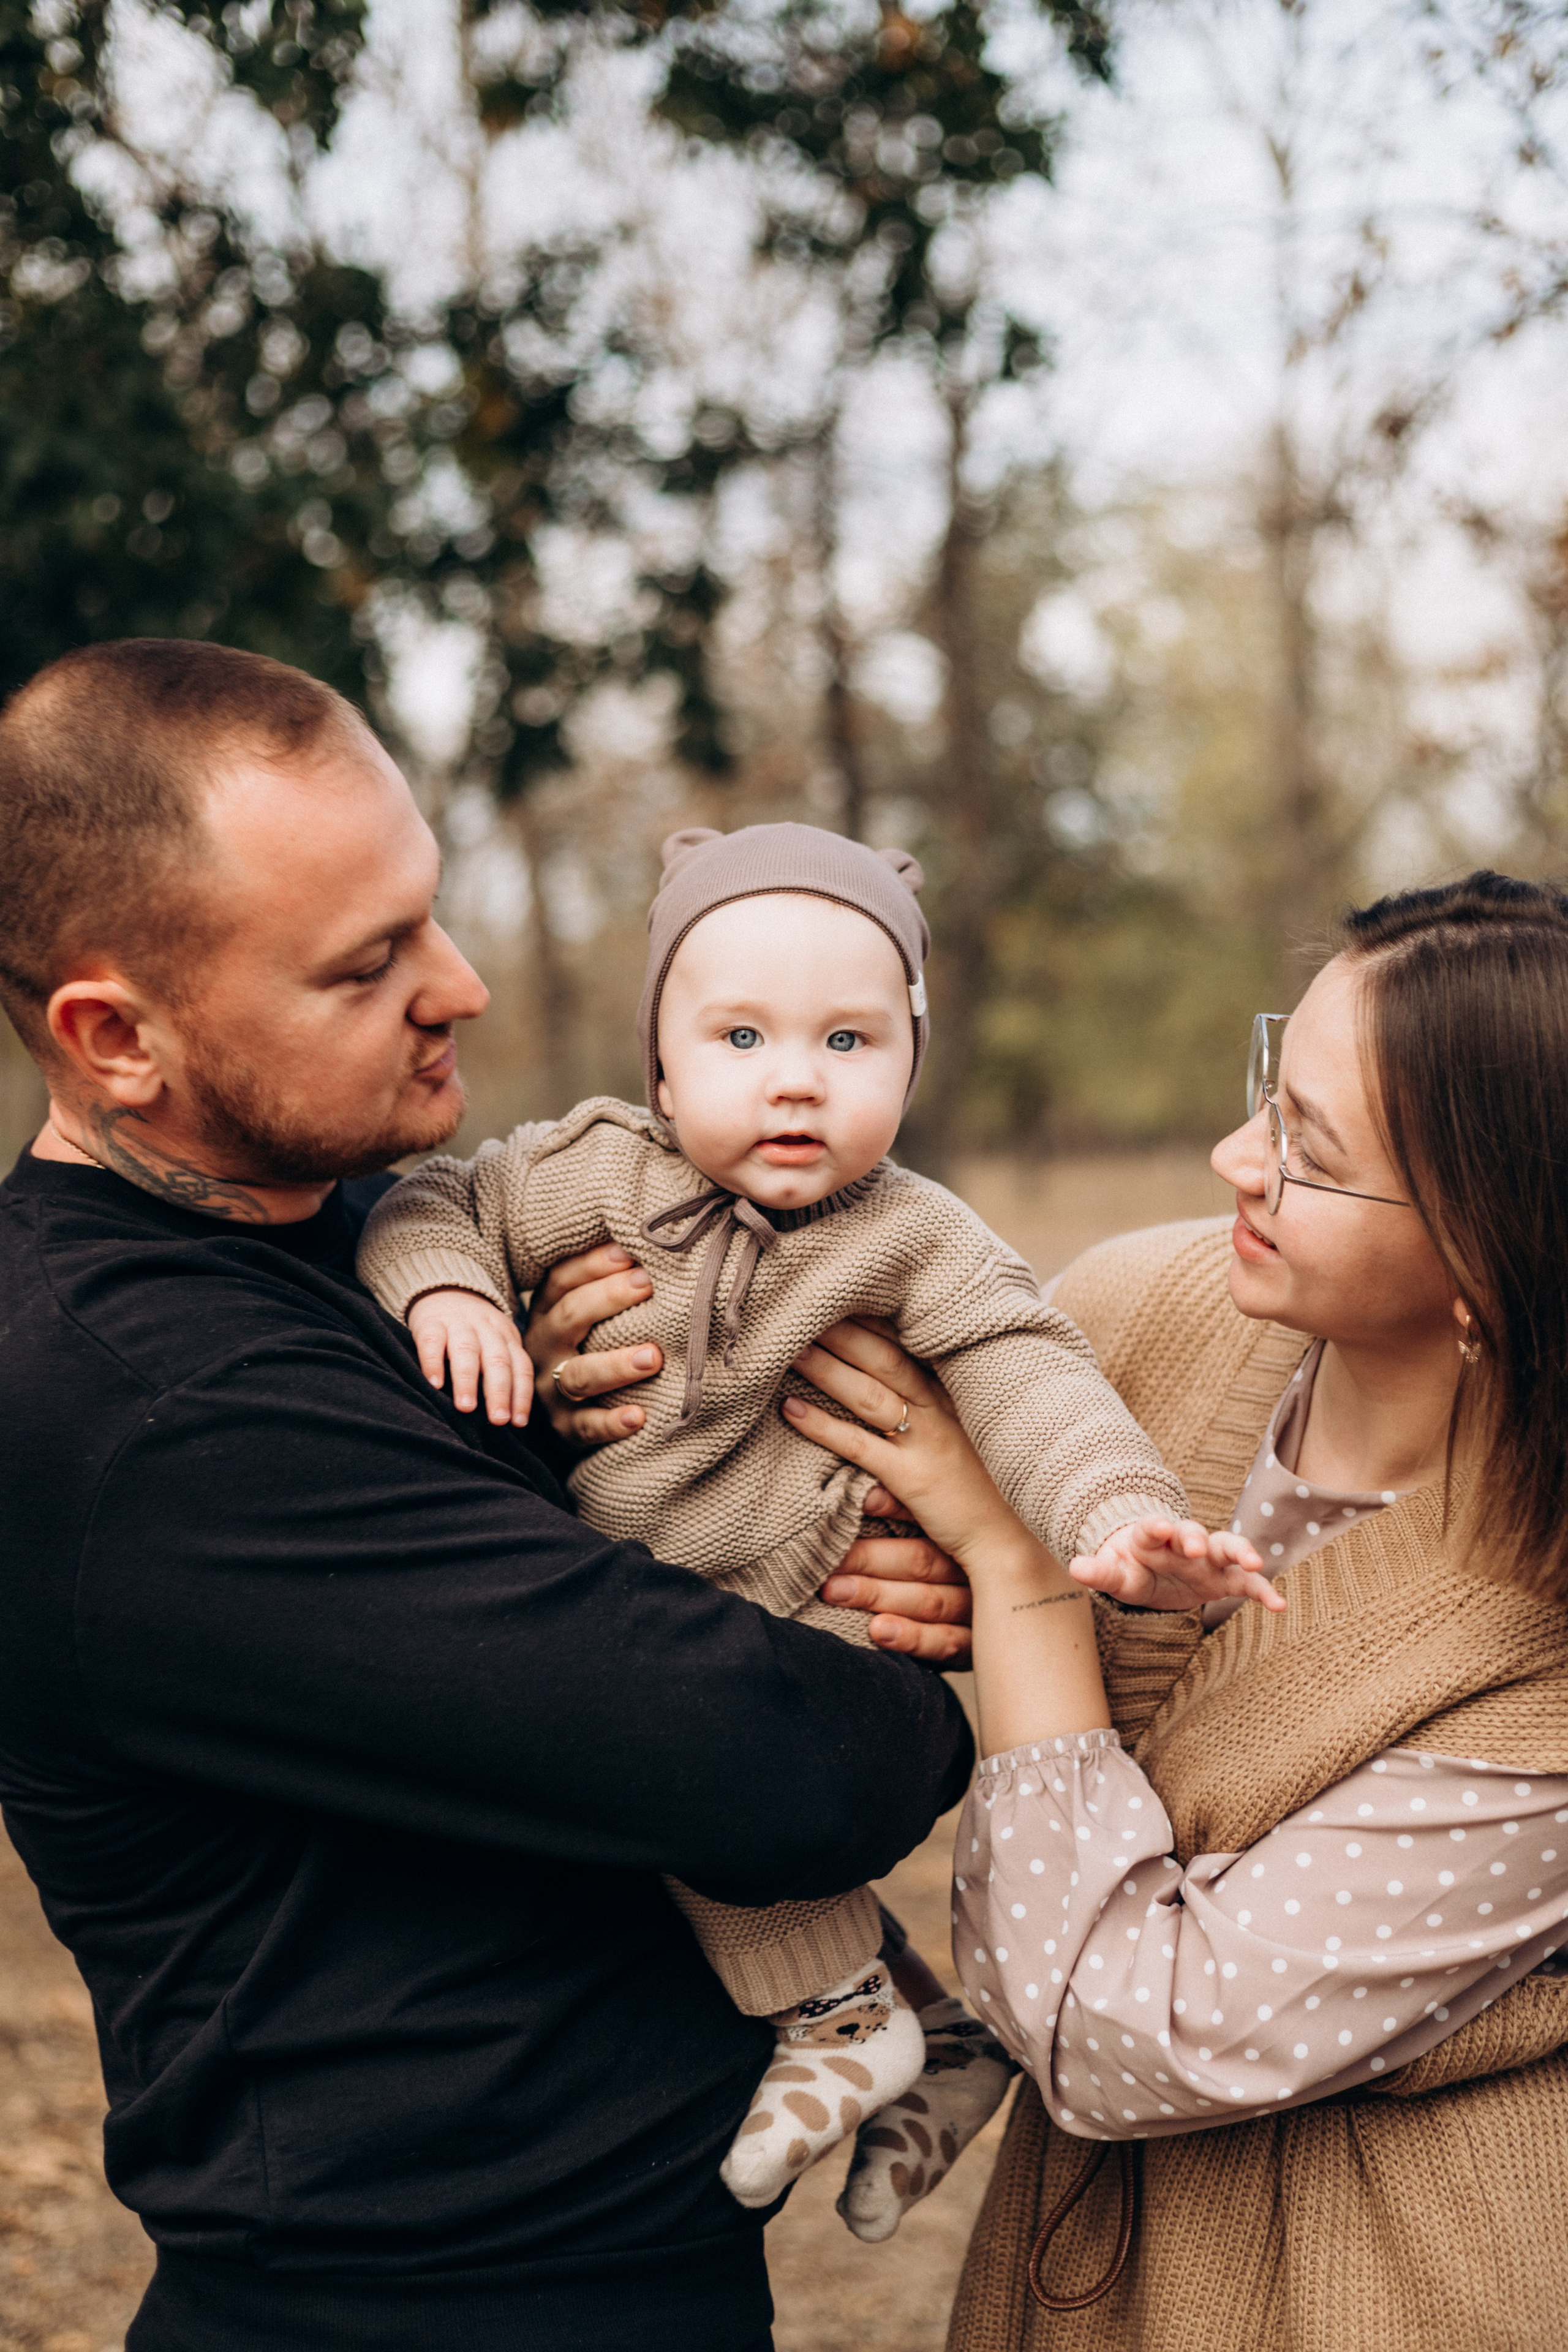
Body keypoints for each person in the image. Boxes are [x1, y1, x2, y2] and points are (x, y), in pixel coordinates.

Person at [0, 638, 979, 2352]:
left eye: (430, 914)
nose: (457, 985)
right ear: (116, 1037)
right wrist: (941, 1651)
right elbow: (768, 1767)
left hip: (611, 2274)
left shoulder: (354, 1255)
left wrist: (578, 1422)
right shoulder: (150, 1407)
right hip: (413, 2307)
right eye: (367, 963)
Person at [354, 820, 1254, 2231]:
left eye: (849, 1043)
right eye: (739, 1038)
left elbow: (1030, 1371)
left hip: (821, 1587)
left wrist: (1120, 1508)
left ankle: (840, 2018)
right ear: (658, 1060)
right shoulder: (587, 1172)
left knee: (688, 1762)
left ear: (909, 1059)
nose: (793, 1081)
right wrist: (450, 1292)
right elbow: (430, 1201)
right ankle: (921, 2029)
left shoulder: (913, 1235)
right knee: (631, 1735)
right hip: (646, 1587)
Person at [760, 873, 1568, 2352]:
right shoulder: (1141, 1312)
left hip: (1380, 2288)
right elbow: (793, 1413)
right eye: (1269, 1089)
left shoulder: (1542, 1666)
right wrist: (600, 1316)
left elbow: (1117, 2031)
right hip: (1075, 2270)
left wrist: (1017, 1579)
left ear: (1487, 1251)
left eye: (1304, 1153)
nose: (1228, 1159)